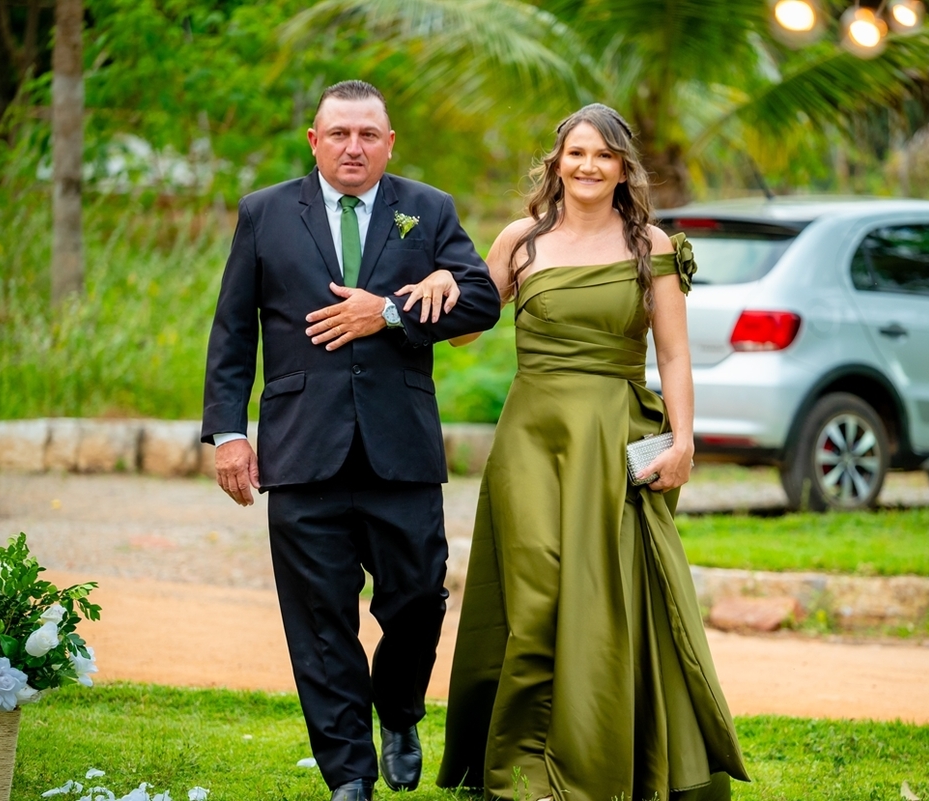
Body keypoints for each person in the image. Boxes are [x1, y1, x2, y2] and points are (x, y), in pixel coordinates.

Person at [436, 104, 750, 801]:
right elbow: (464, 332)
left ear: (622, 169)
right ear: (557, 162)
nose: (588, 165)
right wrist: (445, 284)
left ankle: (601, 756)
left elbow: (673, 353)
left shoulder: (650, 245)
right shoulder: (520, 240)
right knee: (535, 593)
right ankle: (523, 769)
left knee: (600, 596)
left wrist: (684, 440)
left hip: (611, 438)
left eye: (603, 155)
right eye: (576, 152)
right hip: (531, 440)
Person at [201, 80, 502, 801]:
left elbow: (482, 299)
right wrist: (229, 434)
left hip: (401, 449)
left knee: (418, 598)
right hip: (301, 448)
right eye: (339, 133)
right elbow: (234, 330)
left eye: (368, 134)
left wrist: (390, 312)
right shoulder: (265, 213)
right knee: (318, 616)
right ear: (315, 141)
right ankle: (348, 775)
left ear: (389, 143)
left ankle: (398, 712)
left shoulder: (428, 209)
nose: (354, 147)